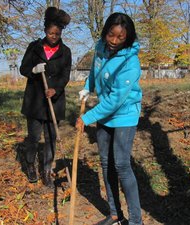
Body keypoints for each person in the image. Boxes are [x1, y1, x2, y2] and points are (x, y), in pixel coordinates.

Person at [76, 12, 143, 225]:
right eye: (111, 35)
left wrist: (87, 117)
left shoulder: (130, 63)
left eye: (120, 38)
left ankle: (136, 221)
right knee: (106, 164)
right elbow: (95, 72)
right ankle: (115, 214)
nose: (114, 41)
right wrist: (88, 88)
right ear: (105, 32)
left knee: (122, 165)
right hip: (105, 115)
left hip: (124, 115)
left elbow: (115, 100)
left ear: (128, 38)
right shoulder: (101, 47)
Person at [19, 7, 71, 187]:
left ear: (61, 33)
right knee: (33, 137)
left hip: (54, 102)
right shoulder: (34, 48)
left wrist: (55, 89)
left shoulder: (66, 52)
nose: (54, 36)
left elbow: (65, 75)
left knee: (51, 138)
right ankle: (30, 165)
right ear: (45, 31)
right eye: (50, 33)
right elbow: (23, 68)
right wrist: (33, 70)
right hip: (35, 101)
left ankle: (47, 170)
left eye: (57, 33)